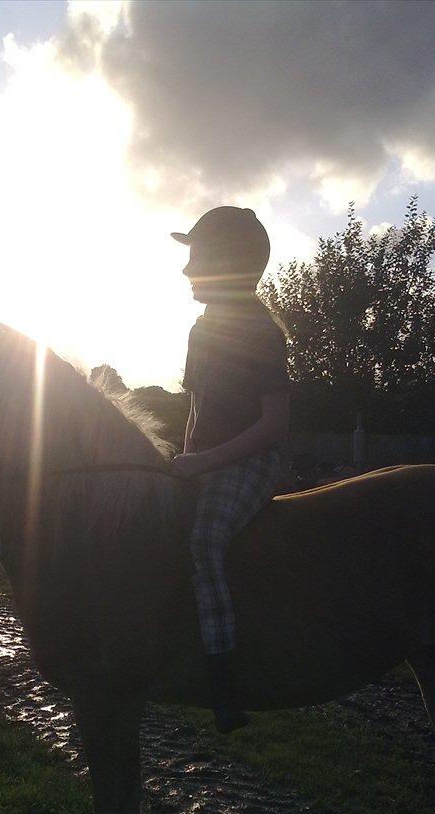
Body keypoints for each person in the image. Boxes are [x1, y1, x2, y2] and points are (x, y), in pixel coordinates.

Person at [169, 206, 290, 733]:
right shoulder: (201, 332)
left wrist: (204, 462)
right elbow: (197, 411)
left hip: (253, 458)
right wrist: (179, 462)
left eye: (196, 257)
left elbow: (274, 424)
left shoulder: (260, 332)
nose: (185, 269)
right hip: (208, 458)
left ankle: (221, 676)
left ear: (229, 265)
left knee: (204, 537)